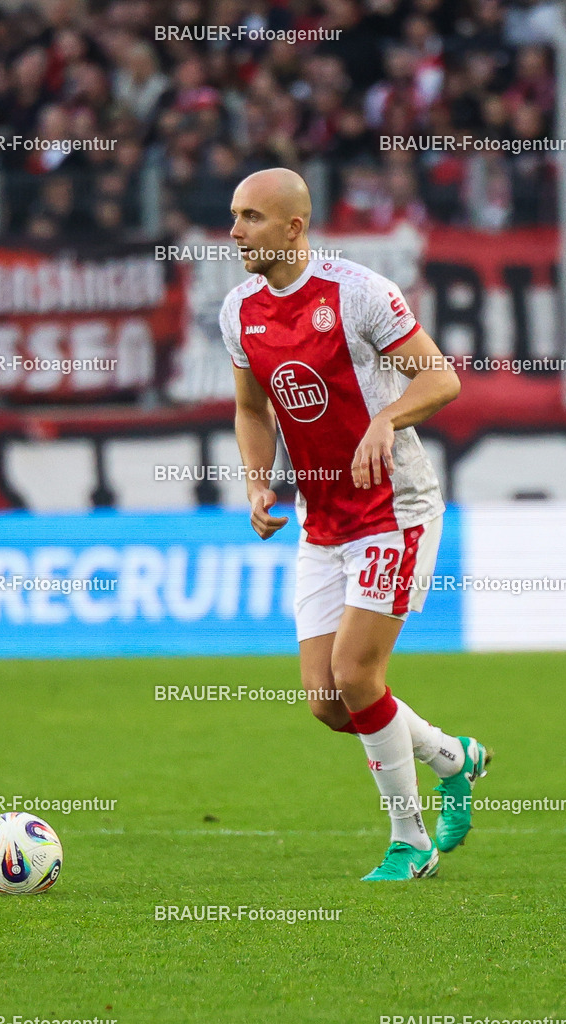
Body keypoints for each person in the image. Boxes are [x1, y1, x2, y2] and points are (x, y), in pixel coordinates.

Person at [220, 167, 490, 881]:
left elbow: (439, 378)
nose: (234, 231)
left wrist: (384, 419)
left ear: (292, 228)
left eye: (249, 217)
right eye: (233, 216)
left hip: (392, 509)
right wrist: (256, 480)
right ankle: (451, 758)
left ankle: (410, 841)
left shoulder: (360, 293)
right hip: (322, 521)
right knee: (327, 704)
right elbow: (252, 409)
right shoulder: (238, 310)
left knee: (356, 673)